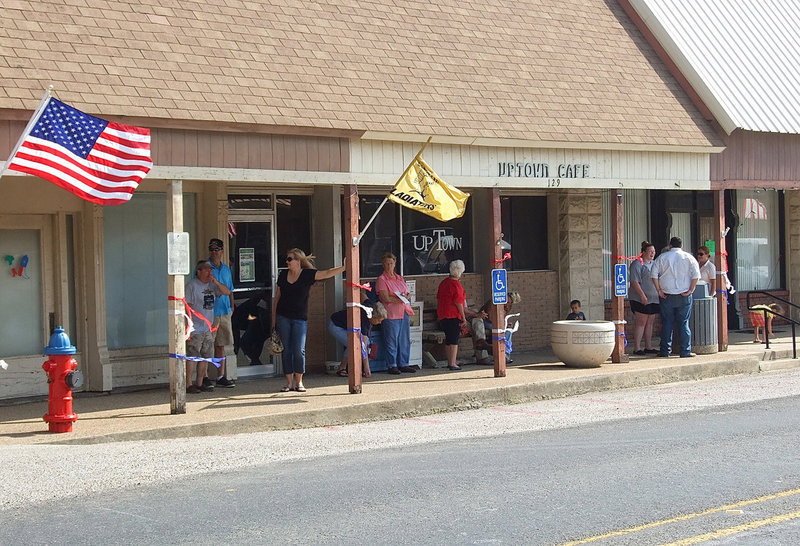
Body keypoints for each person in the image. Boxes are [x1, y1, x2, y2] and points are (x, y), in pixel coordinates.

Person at [272, 248, 346, 392]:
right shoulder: (283, 275)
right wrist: (273, 319)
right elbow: (277, 299)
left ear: (298, 261)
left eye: (289, 259)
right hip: (283, 317)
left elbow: (326, 273)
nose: (287, 262)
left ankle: (299, 382)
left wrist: (343, 268)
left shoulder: (307, 275)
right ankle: (289, 382)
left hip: (300, 318)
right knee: (286, 350)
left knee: (299, 350)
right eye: (286, 259)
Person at [185, 260, 232, 394]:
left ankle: (199, 383)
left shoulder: (212, 285)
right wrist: (187, 327)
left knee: (206, 356)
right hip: (195, 327)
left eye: (210, 270)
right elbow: (185, 306)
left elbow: (227, 292)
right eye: (206, 270)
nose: (209, 272)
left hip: (207, 327)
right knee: (193, 355)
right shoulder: (192, 286)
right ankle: (188, 383)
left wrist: (216, 282)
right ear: (199, 271)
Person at [651, 237, 701, 358]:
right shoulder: (689, 257)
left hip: (666, 294)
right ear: (682, 245)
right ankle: (685, 351)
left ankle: (665, 351)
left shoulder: (662, 257)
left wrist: (659, 290)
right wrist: (691, 289)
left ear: (669, 245)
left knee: (667, 322)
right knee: (684, 323)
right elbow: (696, 275)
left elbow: (653, 275)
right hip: (684, 294)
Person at [376, 252, 417, 374]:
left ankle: (404, 363)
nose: (389, 266)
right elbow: (385, 298)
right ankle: (392, 365)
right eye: (387, 263)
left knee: (404, 339)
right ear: (383, 265)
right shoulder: (382, 279)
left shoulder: (399, 278)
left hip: (403, 311)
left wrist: (406, 297)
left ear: (395, 264)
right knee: (391, 339)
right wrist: (399, 299)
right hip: (391, 313)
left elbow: (407, 292)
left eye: (391, 263)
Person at [328, 301, 387, 377]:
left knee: (362, 342)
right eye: (379, 320)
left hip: (346, 325)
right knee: (354, 344)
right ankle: (342, 367)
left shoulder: (370, 308)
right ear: (373, 317)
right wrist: (367, 368)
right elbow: (363, 346)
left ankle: (349, 367)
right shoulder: (365, 321)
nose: (380, 323)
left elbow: (363, 295)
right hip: (335, 324)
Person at [207, 238, 236, 388]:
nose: (214, 252)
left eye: (217, 249)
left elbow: (230, 289)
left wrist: (231, 306)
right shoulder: (204, 267)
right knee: (206, 345)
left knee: (221, 345)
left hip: (224, 311)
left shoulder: (226, 269)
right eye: (211, 250)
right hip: (209, 312)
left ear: (222, 251)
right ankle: (204, 376)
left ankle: (220, 376)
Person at [436, 259, 471, 371]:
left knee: (448, 338)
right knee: (454, 339)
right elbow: (458, 303)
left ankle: (450, 361)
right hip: (453, 315)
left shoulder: (443, 283)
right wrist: (464, 317)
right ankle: (452, 363)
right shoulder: (457, 285)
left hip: (442, 314)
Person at [470, 291, 522, 365]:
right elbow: (490, 317)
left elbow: (502, 317)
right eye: (508, 300)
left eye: (510, 302)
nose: (508, 303)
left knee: (508, 331)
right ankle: (500, 354)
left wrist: (505, 324)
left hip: (495, 323)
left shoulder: (507, 306)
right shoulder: (493, 302)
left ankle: (505, 355)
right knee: (502, 331)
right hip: (486, 321)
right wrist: (501, 325)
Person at [629, 241, 660, 356]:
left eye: (654, 251)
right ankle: (637, 347)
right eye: (650, 251)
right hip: (640, 298)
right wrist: (642, 295)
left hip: (654, 298)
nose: (652, 253)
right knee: (641, 322)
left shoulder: (655, 264)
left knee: (650, 323)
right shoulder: (637, 264)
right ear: (643, 252)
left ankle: (648, 346)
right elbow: (634, 281)